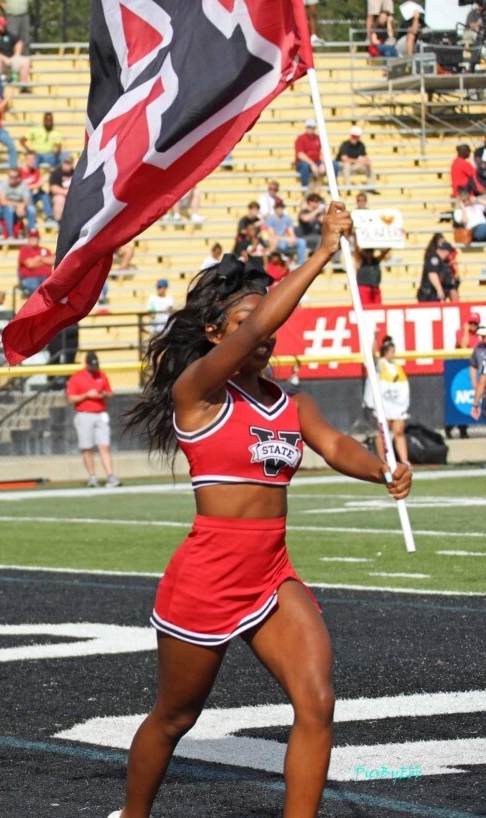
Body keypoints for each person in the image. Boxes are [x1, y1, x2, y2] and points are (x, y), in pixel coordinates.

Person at [114, 206, 411, 818]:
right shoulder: (196, 392)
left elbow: (334, 446)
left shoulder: (289, 401)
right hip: (208, 573)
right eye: (248, 321)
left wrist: (383, 467)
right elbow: (253, 334)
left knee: (317, 701)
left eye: (266, 320)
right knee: (175, 717)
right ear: (218, 334)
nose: (264, 332)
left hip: (272, 570)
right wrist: (323, 253)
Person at [67, 351, 119, 487]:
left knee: (104, 446)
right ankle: (92, 477)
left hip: (100, 414)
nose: (94, 368)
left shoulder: (101, 375)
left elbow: (110, 393)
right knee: (87, 447)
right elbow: (71, 398)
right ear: (86, 364)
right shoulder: (76, 377)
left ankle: (110, 475)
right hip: (84, 414)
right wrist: (87, 395)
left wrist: (103, 395)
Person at [365, 335, 410, 465]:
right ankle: (383, 461)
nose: (393, 354)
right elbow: (373, 355)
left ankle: (404, 460)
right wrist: (374, 337)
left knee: (399, 431)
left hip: (397, 405)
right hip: (384, 404)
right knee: (383, 433)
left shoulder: (396, 365)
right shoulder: (381, 364)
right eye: (391, 351)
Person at [417, 236, 457, 302]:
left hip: (433, 295)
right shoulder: (434, 259)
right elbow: (432, 274)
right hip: (429, 296)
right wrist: (439, 290)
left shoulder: (442, 262)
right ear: (446, 251)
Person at [17, 228, 52, 294]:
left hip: (46, 278)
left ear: (38, 238)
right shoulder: (24, 250)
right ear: (28, 239)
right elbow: (30, 264)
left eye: (35, 237)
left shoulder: (44, 249)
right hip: (30, 278)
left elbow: (53, 260)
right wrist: (45, 261)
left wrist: (40, 258)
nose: (33, 239)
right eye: (31, 237)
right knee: (35, 287)